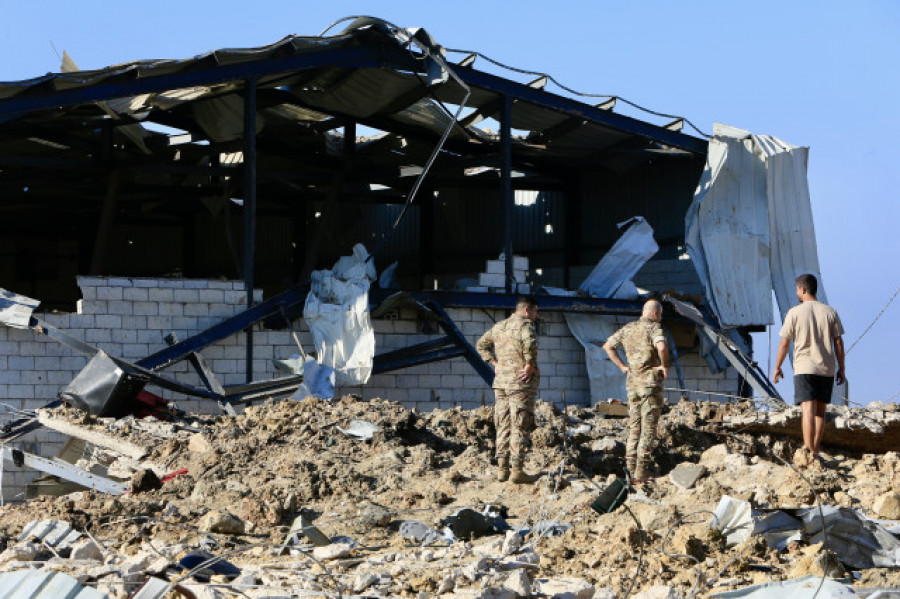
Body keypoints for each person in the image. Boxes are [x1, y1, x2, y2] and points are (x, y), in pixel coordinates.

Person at [772, 273, 845, 466]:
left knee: (807, 410)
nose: (796, 292)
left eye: (797, 289)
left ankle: (808, 450)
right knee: (820, 411)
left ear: (803, 289)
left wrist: (777, 366)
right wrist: (842, 369)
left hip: (804, 367)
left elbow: (784, 343)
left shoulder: (794, 313)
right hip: (826, 367)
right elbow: (838, 343)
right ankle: (816, 450)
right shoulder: (830, 312)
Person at [476, 295, 541, 484]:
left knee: (502, 425)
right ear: (527, 309)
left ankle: (502, 470)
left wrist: (495, 363)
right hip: (520, 382)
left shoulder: (499, 326)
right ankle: (517, 471)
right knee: (520, 424)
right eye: (536, 310)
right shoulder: (525, 325)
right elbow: (530, 343)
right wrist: (529, 364)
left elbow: (481, 345)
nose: (537, 315)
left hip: (501, 382)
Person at [602, 300, 669, 481]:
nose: (660, 318)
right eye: (660, 315)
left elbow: (608, 346)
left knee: (634, 428)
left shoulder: (628, 328)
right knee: (648, 429)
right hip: (650, 386)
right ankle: (641, 471)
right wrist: (664, 366)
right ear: (655, 314)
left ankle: (630, 470)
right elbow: (661, 346)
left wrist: (624, 368)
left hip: (632, 385)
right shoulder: (654, 328)